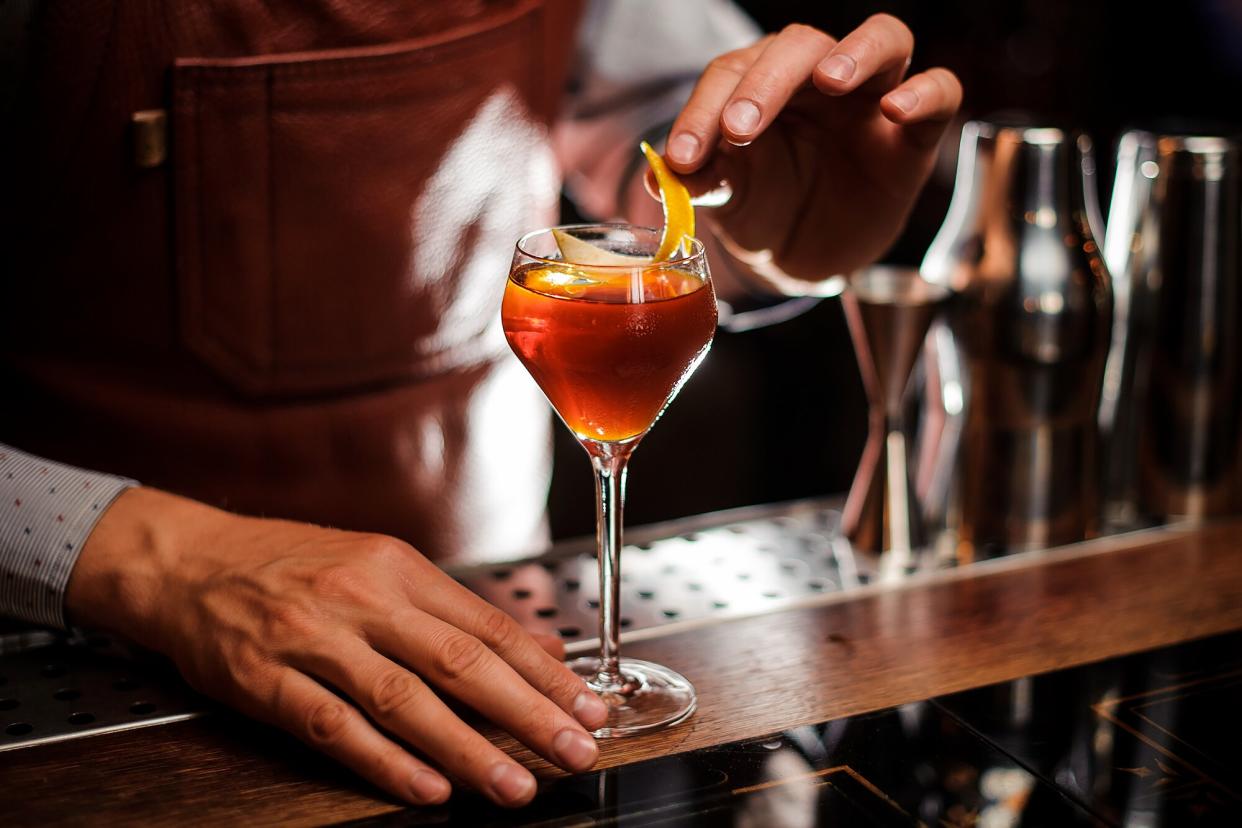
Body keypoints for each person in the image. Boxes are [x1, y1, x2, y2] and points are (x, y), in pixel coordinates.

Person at [0, 0, 960, 809]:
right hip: (98, 679)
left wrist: (766, 228)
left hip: (505, 651)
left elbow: (661, 170)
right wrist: (147, 559)